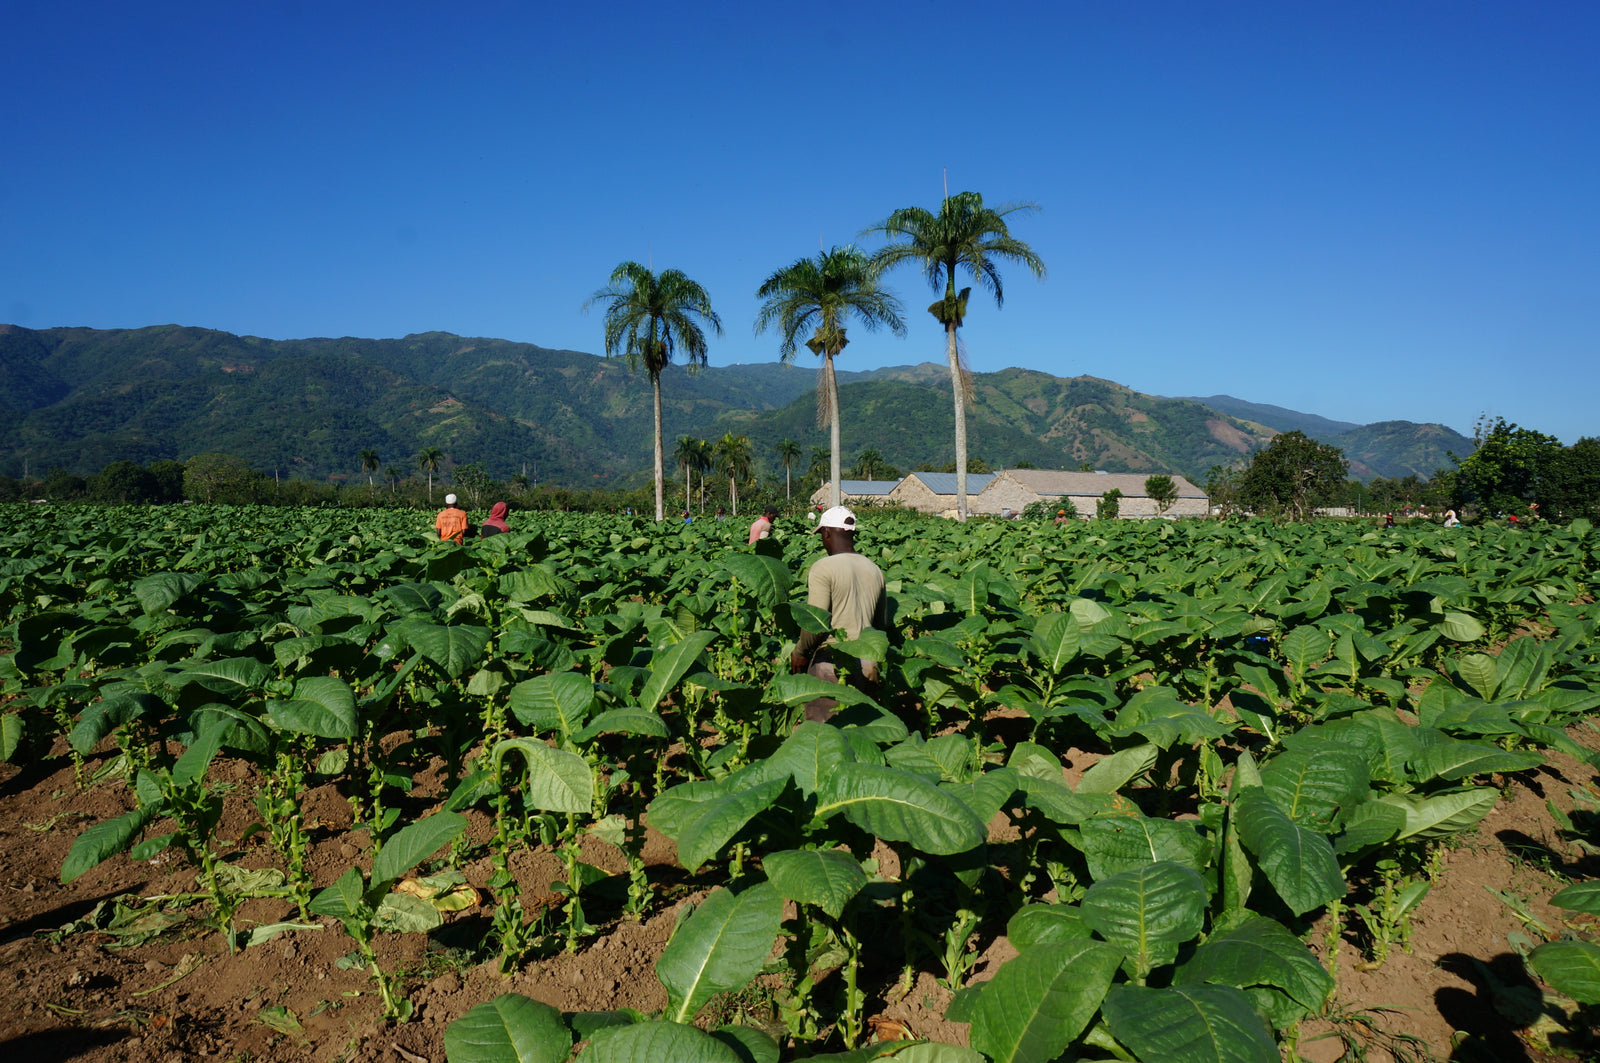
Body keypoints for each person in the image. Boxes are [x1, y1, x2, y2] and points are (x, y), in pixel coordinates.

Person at [790, 506, 890, 723]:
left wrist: (800, 652)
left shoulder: (822, 568)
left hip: (832, 663)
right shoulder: (874, 569)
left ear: (827, 532)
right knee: (863, 733)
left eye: (822, 536)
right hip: (868, 663)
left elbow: (816, 622)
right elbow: (881, 626)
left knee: (825, 738)